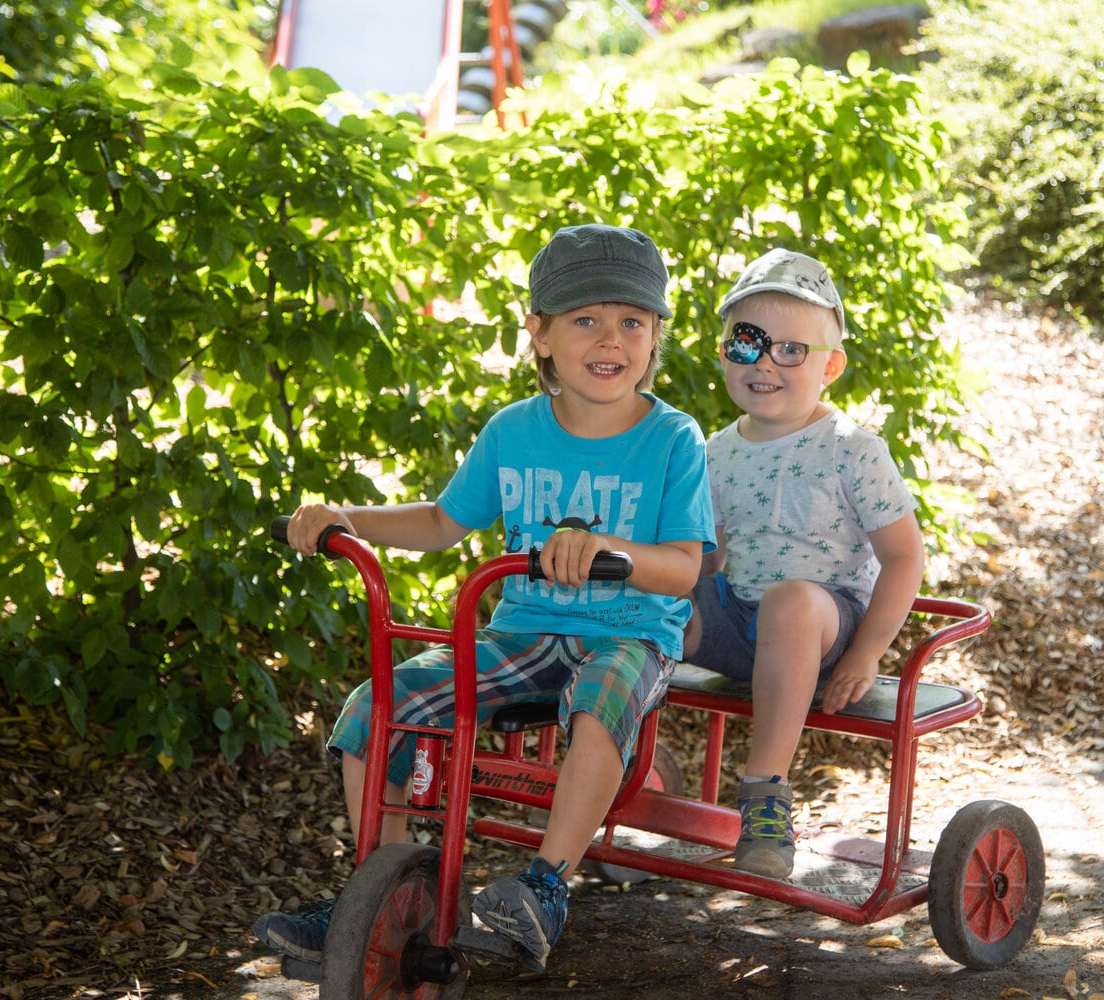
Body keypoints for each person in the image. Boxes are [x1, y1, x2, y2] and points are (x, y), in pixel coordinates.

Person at [253, 224, 715, 972]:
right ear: (538, 335)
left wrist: (610, 553)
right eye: (585, 320)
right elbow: (441, 522)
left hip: (629, 632)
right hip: (523, 633)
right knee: (374, 709)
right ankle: (382, 891)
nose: (611, 339)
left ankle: (545, 885)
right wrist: (347, 518)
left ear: (656, 335)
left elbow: (684, 569)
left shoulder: (673, 439)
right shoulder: (513, 432)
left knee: (601, 697)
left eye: (632, 321)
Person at [682, 248, 925, 879]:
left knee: (790, 600)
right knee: (651, 584)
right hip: (740, 626)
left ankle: (765, 795)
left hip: (822, 627)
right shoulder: (716, 452)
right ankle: (607, 736)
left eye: (792, 349)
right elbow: (708, 558)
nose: (766, 361)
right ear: (724, 352)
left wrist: (867, 651)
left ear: (831, 365)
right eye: (748, 343)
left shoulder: (852, 449)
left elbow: (903, 557)